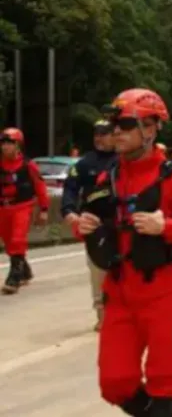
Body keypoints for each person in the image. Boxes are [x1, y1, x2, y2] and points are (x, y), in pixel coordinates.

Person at [74, 88, 172, 416]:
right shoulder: (107, 178)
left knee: (164, 383)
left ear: (150, 129)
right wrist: (84, 226)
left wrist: (166, 227)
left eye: (124, 124)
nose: (115, 132)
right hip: (120, 293)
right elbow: (100, 228)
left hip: (164, 293)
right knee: (114, 383)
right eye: (113, 125)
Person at [61, 119, 116, 329]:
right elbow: (70, 189)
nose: (99, 138)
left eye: (105, 133)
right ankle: (102, 313)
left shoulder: (124, 160)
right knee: (97, 268)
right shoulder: (85, 164)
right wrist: (69, 212)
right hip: (94, 224)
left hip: (121, 221)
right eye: (97, 134)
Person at [0, 128, 49, 294]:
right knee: (8, 243)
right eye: (3, 143)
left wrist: (44, 209)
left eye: (9, 143)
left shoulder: (28, 165)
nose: (5, 147)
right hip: (3, 208)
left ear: (18, 145)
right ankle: (24, 270)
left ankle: (14, 277)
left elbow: (40, 187)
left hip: (23, 206)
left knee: (17, 239)